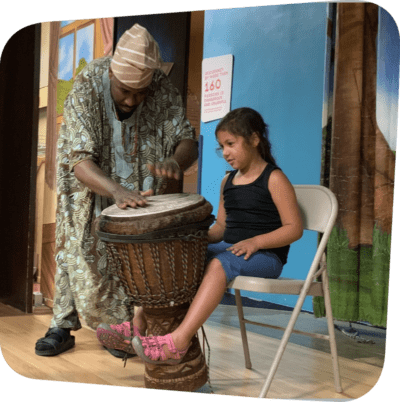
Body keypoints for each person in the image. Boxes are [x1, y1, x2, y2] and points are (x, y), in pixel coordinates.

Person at [34, 24, 198, 358]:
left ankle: (122, 329)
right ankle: (61, 325)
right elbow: (80, 161)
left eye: (140, 92)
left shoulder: (162, 87)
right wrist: (116, 191)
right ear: (111, 73)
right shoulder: (88, 85)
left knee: (130, 251)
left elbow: (186, 139)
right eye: (124, 90)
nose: (132, 99)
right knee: (76, 245)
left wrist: (175, 161)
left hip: (138, 184)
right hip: (90, 179)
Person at [96, 107, 303, 364]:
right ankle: (137, 327)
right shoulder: (228, 182)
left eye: (231, 144)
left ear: (254, 139)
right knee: (169, 256)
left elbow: (294, 228)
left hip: (267, 257)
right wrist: (187, 242)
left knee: (219, 264)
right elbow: (220, 231)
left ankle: (178, 342)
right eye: (221, 146)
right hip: (232, 250)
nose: (225, 152)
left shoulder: (274, 178)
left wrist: (256, 242)